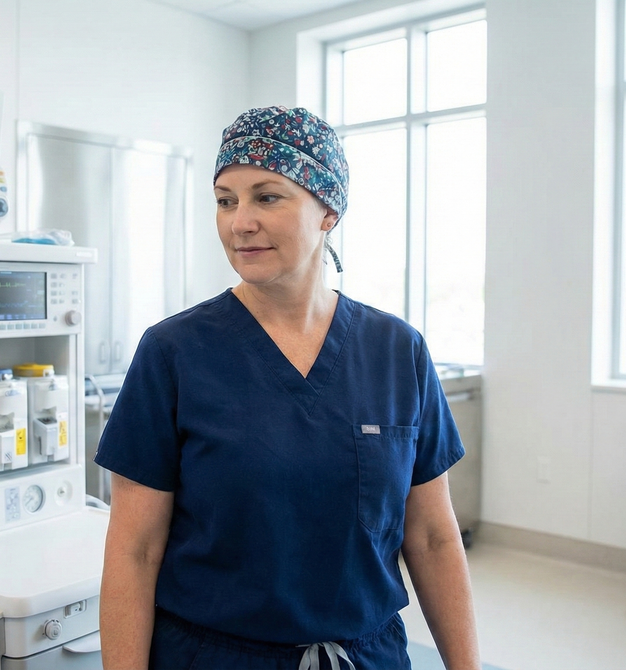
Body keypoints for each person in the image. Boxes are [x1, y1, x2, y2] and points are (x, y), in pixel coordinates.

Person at [96, 106, 480, 670]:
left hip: (367, 657)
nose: (238, 222)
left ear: (328, 210)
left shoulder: (398, 351)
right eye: (225, 200)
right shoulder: (173, 352)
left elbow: (432, 538)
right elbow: (135, 550)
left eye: (266, 197)